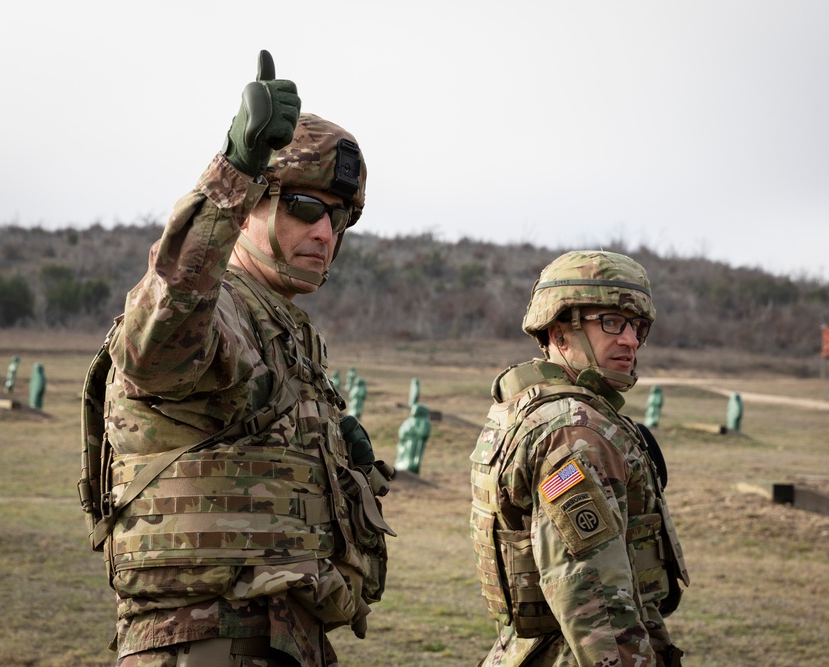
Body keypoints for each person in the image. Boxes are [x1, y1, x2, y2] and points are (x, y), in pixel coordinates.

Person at [88, 51, 394, 667]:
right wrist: (235, 168)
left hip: (286, 641)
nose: (324, 234)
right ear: (251, 204)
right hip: (204, 642)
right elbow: (158, 342)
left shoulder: (285, 329)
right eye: (304, 208)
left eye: (339, 218)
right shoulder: (218, 305)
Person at [470, 250, 689, 666]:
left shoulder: (530, 408)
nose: (630, 339)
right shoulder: (575, 432)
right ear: (559, 332)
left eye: (638, 326)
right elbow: (594, 599)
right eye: (611, 322)